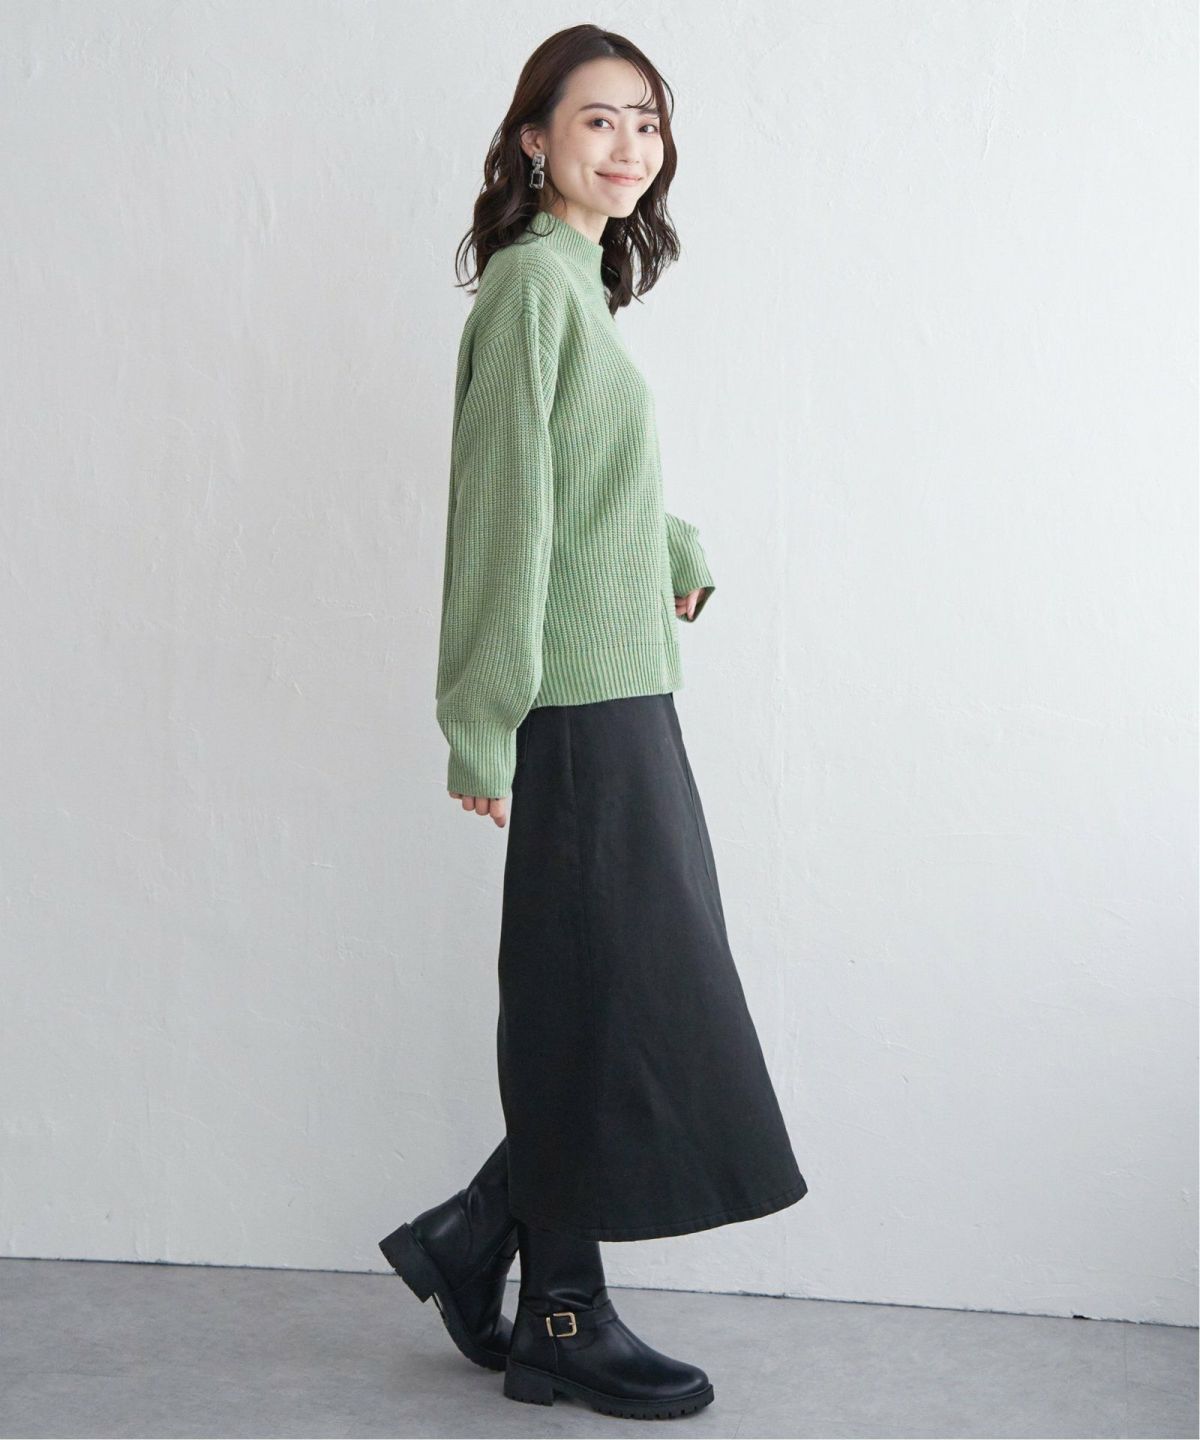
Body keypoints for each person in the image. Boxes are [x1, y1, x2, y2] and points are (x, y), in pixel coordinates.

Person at [379, 24, 808, 1422]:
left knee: (632, 1000)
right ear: (535, 139)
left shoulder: (579, 283)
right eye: (598, 120)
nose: (629, 147)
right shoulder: (528, 287)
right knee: (603, 1007)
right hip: (566, 700)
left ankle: (477, 1242)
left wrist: (673, 545)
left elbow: (592, 474)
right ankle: (558, 1310)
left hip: (625, 685)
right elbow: (507, 513)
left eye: (647, 122)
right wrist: (481, 718)